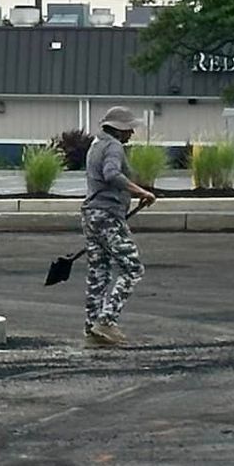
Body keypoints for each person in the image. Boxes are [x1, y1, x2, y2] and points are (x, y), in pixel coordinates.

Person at [81, 105, 158, 347]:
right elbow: (112, 174)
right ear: (118, 129)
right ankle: (106, 321)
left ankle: (92, 326)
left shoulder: (96, 145)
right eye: (128, 129)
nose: (131, 134)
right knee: (132, 268)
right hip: (108, 215)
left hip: (91, 214)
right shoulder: (113, 146)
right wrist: (141, 191)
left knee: (99, 272)